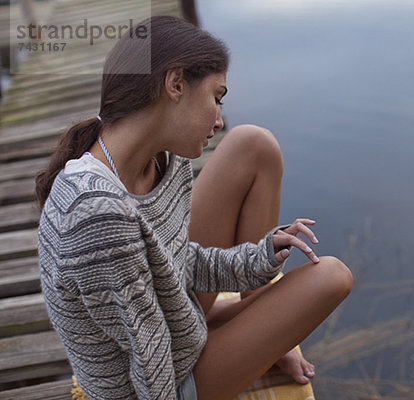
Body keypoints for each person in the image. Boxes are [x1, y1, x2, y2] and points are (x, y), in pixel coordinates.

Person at [35, 15, 352, 400]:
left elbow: (181, 261)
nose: (219, 121)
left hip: (175, 320)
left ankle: (263, 331)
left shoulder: (165, 159)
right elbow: (147, 356)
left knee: (253, 143)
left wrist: (261, 255)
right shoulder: (97, 211)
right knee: (332, 276)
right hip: (155, 382)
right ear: (175, 84)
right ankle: (256, 333)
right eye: (216, 98)